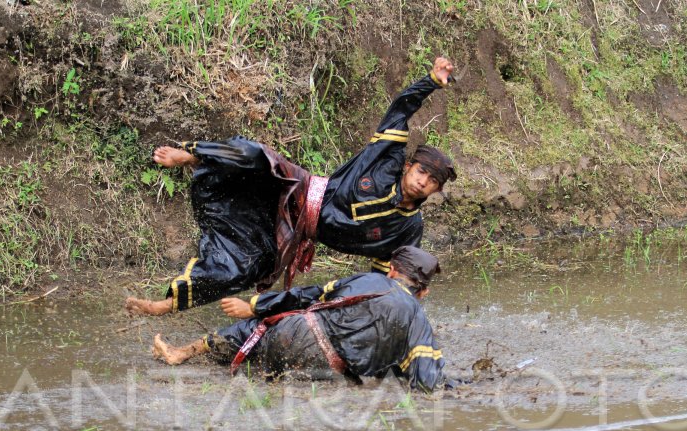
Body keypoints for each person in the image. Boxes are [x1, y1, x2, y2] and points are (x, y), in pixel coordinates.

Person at [125, 57, 457, 316]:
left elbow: (391, 277)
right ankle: (193, 156)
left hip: (294, 233)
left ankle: (161, 306)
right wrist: (430, 82)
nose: (423, 181)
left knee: (238, 271)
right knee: (254, 155)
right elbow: (401, 108)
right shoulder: (385, 159)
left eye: (432, 182)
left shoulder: (407, 229)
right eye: (422, 171)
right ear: (410, 166)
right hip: (298, 189)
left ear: (434, 191)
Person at [151, 245, 447, 392]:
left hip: (293, 333)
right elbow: (425, 378)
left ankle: (182, 353)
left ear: (392, 271)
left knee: (254, 330)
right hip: (326, 366)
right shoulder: (417, 319)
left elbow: (308, 295)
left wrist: (254, 305)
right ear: (424, 292)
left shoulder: (367, 280)